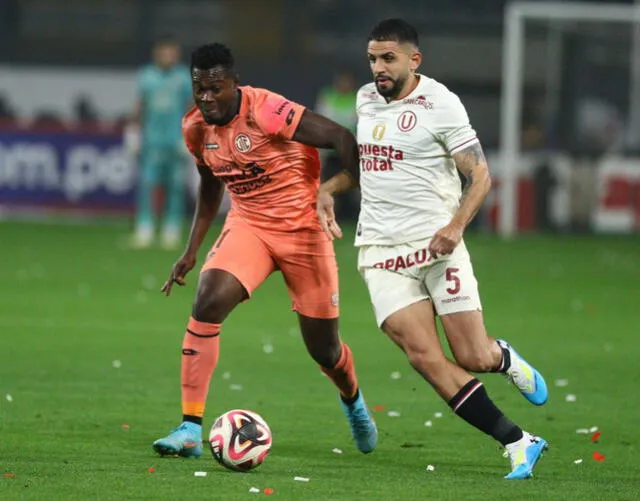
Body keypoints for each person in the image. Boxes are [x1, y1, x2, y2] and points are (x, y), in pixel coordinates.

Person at [317, 19, 549, 480]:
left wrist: (455, 227)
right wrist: (329, 188)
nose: (378, 68)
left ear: (413, 60)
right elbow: (369, 168)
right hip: (381, 251)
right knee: (422, 356)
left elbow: (480, 176)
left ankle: (500, 357)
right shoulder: (365, 100)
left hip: (438, 246)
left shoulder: (441, 104)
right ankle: (519, 441)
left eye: (388, 59)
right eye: (372, 59)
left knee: (472, 356)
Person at [152, 43, 377, 458]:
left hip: (304, 231)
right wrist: (191, 251)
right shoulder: (196, 127)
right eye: (198, 88)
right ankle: (189, 428)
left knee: (324, 349)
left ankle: (353, 401)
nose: (206, 97)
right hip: (250, 226)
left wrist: (348, 186)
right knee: (207, 301)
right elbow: (209, 186)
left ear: (234, 84)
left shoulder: (266, 109)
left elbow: (340, 136)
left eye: (215, 88)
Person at [127, 37, 192, 249]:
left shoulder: (183, 77)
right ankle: (144, 227)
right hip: (152, 141)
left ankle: (171, 228)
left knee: (175, 185)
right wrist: (133, 133)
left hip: (175, 140)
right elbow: (139, 106)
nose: (168, 56)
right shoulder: (147, 76)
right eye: (164, 52)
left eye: (171, 52)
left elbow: (191, 108)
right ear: (157, 53)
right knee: (147, 184)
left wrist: (190, 136)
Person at [315, 71, 360, 221]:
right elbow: (320, 120)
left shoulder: (357, 99)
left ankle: (351, 216)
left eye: (347, 82)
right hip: (330, 151)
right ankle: (332, 215)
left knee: (351, 181)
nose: (344, 85)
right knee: (328, 182)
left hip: (349, 150)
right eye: (341, 81)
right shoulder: (328, 96)